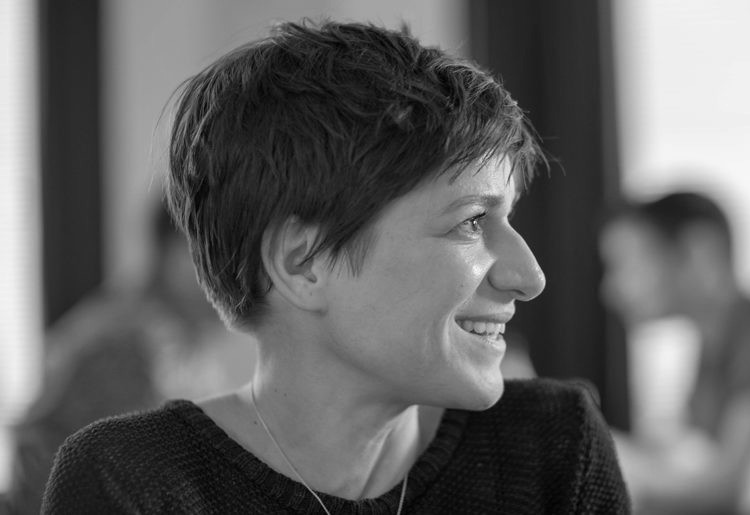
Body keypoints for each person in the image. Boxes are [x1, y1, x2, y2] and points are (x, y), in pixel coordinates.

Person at [42, 20, 630, 513]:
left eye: (510, 217)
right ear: (304, 263)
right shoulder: (132, 482)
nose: (529, 276)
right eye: (472, 221)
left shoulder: (554, 447)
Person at [1, 205, 253, 515]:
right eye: (229, 256)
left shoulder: (184, 345)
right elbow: (57, 470)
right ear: (178, 253)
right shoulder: (129, 345)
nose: (242, 277)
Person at [600, 191, 750, 514]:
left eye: (626, 263)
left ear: (698, 250)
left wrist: (602, 455)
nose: (610, 289)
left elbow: (741, 493)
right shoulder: (716, 344)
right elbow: (700, 461)